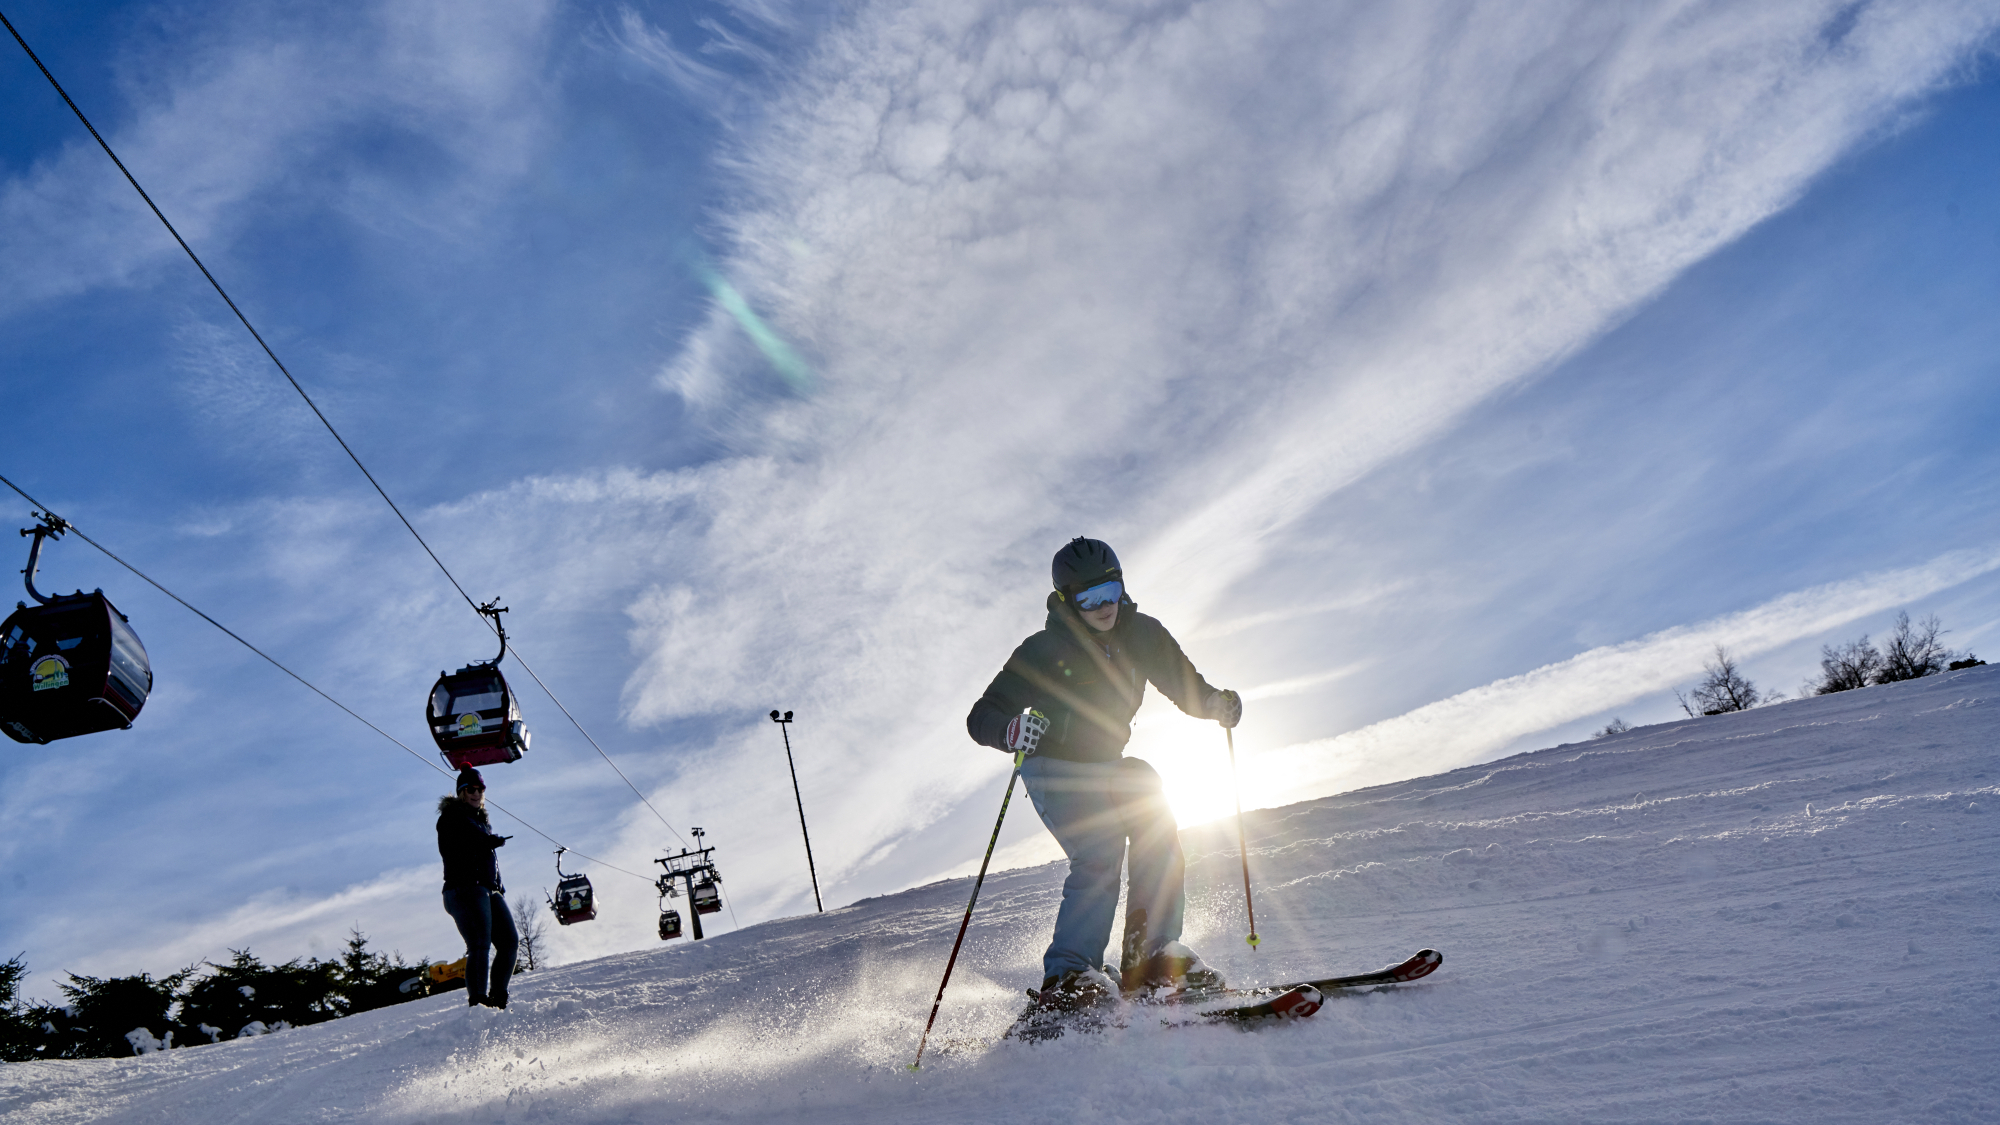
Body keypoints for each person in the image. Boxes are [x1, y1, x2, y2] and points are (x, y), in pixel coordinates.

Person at [967, 537, 1242, 1013]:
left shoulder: (1143, 635)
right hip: (1053, 766)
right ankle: (1070, 976)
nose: (1104, 607)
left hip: (1106, 764)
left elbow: (1184, 684)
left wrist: (1215, 702)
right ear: (1066, 600)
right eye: (1089, 598)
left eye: (1110, 590)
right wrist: (1009, 729)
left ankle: (1151, 957)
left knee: (1149, 793)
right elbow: (981, 716)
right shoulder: (1043, 650)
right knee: (1100, 849)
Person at [437, 766, 518, 1008]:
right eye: (471, 789)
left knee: (509, 941)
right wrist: (488, 841)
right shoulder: (452, 817)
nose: (476, 793)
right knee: (480, 943)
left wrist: (498, 886)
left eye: (480, 789)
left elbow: (484, 851)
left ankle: (498, 997)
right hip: (464, 888)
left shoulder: (480, 821)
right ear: (461, 792)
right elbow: (467, 838)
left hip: (486, 888)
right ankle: (478, 1001)